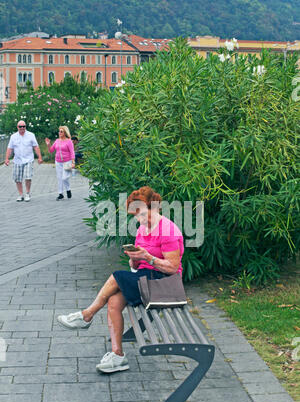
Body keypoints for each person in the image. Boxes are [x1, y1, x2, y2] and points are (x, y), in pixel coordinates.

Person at [57, 186, 184, 373]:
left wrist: (148, 257)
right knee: (114, 301)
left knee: (117, 276)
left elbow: (173, 268)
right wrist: (134, 259)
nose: (138, 219)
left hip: (164, 283)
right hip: (145, 278)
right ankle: (117, 356)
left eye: (141, 214)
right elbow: (136, 267)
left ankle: (87, 315)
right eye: (135, 215)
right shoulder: (143, 229)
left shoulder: (168, 230)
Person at [5, 120, 43, 202]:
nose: (22, 128)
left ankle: (28, 193)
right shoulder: (13, 136)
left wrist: (39, 157)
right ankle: (20, 194)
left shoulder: (31, 135)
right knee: (18, 179)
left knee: (28, 177)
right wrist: (7, 158)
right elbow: (10, 148)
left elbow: (36, 147)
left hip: (28, 159)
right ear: (17, 127)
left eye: (24, 126)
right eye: (20, 126)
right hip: (17, 160)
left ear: (25, 127)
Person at [45, 126, 75, 201]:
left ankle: (68, 189)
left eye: (61, 131)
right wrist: (48, 144)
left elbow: (72, 152)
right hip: (58, 162)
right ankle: (60, 194)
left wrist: (73, 162)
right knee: (59, 178)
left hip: (67, 161)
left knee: (65, 177)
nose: (59, 133)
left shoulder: (69, 141)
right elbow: (51, 150)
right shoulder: (57, 141)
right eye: (59, 131)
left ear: (65, 133)